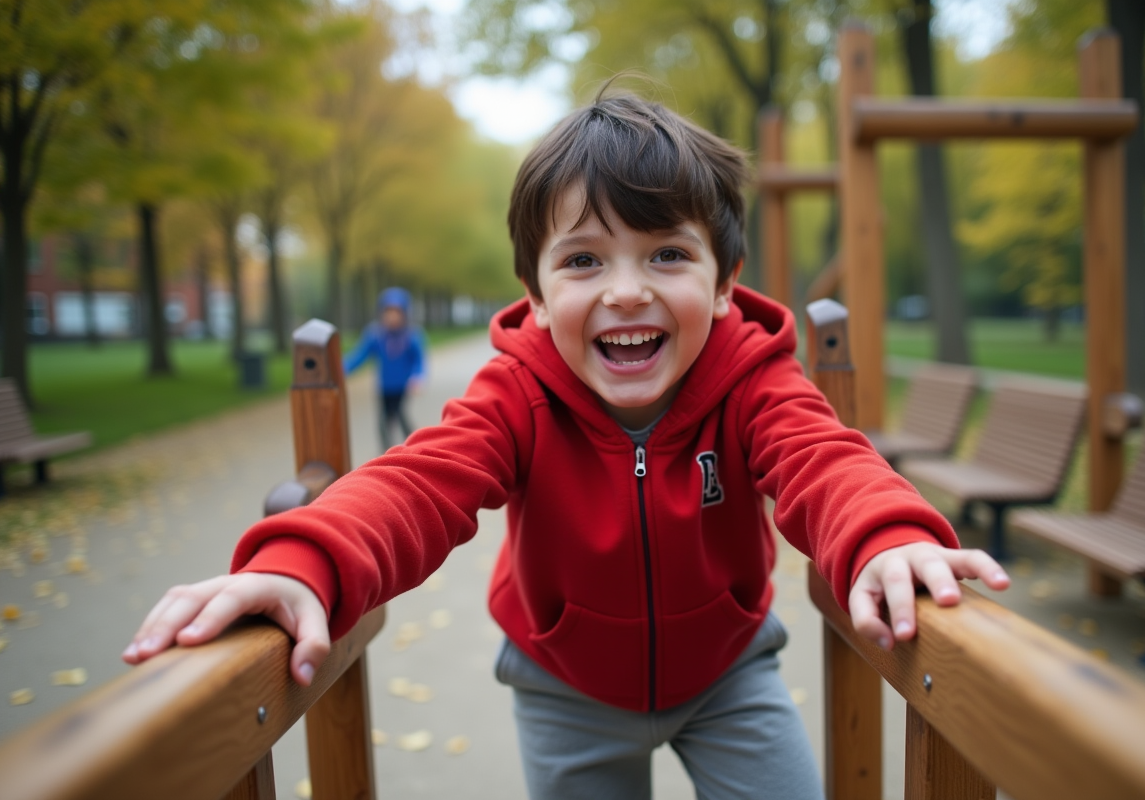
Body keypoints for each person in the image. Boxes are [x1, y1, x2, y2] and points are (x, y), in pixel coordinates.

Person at [124, 92, 1008, 799]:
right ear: (538, 295)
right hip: (565, 688)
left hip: (728, 674)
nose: (626, 291)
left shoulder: (753, 381)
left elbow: (825, 459)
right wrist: (303, 562)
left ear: (726, 283)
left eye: (667, 255)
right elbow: (418, 483)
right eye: (583, 261)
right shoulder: (518, 393)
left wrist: (888, 536)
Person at [344, 287, 426, 450]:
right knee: (383, 422)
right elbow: (360, 355)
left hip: (403, 386)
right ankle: (387, 454)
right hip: (384, 387)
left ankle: (414, 449)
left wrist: (418, 376)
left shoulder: (412, 336)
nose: (392, 316)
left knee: (401, 416)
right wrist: (341, 368)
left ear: (405, 313)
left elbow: (418, 360)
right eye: (388, 311)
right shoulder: (375, 335)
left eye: (397, 312)